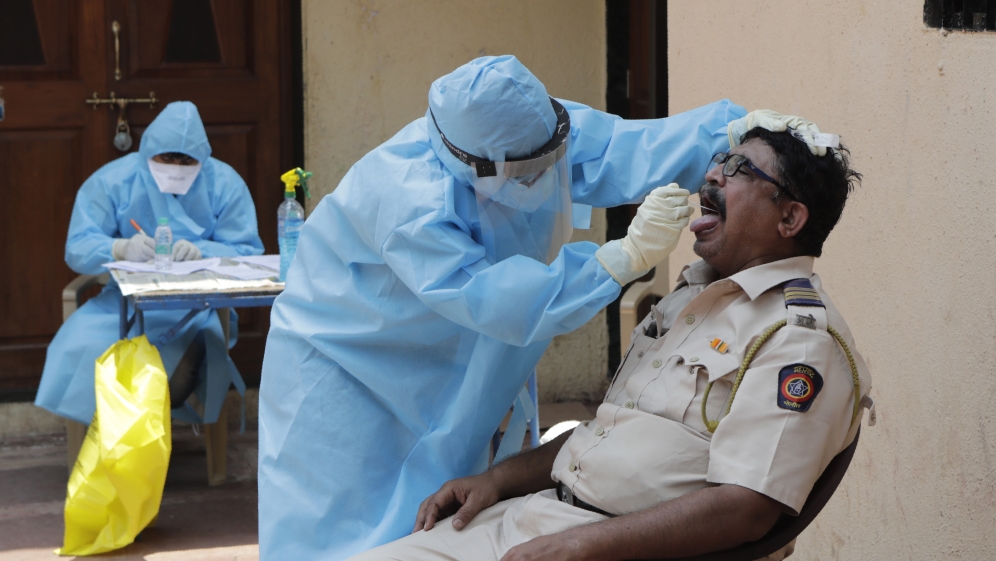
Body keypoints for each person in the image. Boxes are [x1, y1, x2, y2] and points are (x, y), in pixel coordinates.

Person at [258, 55, 749, 560]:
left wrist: (732, 130)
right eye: (529, 171)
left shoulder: (528, 129)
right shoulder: (411, 203)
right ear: (477, 165)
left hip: (439, 345)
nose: (550, 175)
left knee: (431, 505)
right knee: (338, 524)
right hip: (342, 369)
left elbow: (617, 147)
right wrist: (619, 261)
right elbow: (493, 298)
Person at [349, 112, 872, 561]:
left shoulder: (799, 341)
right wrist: (496, 482)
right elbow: (605, 433)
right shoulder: (691, 297)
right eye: (719, 159)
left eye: (738, 169)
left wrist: (581, 546)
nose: (711, 174)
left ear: (790, 217)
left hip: (605, 547)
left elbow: (746, 509)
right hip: (544, 518)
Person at [36, 101, 264, 427]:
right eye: (166, 158)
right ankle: (110, 451)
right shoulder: (114, 180)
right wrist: (118, 247)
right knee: (81, 348)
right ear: (147, 152)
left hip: (199, 309)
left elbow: (248, 251)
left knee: (170, 374)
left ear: (203, 157)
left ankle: (144, 452)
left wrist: (205, 251)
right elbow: (77, 247)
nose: (175, 167)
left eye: (186, 161)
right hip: (121, 306)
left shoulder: (225, 183)